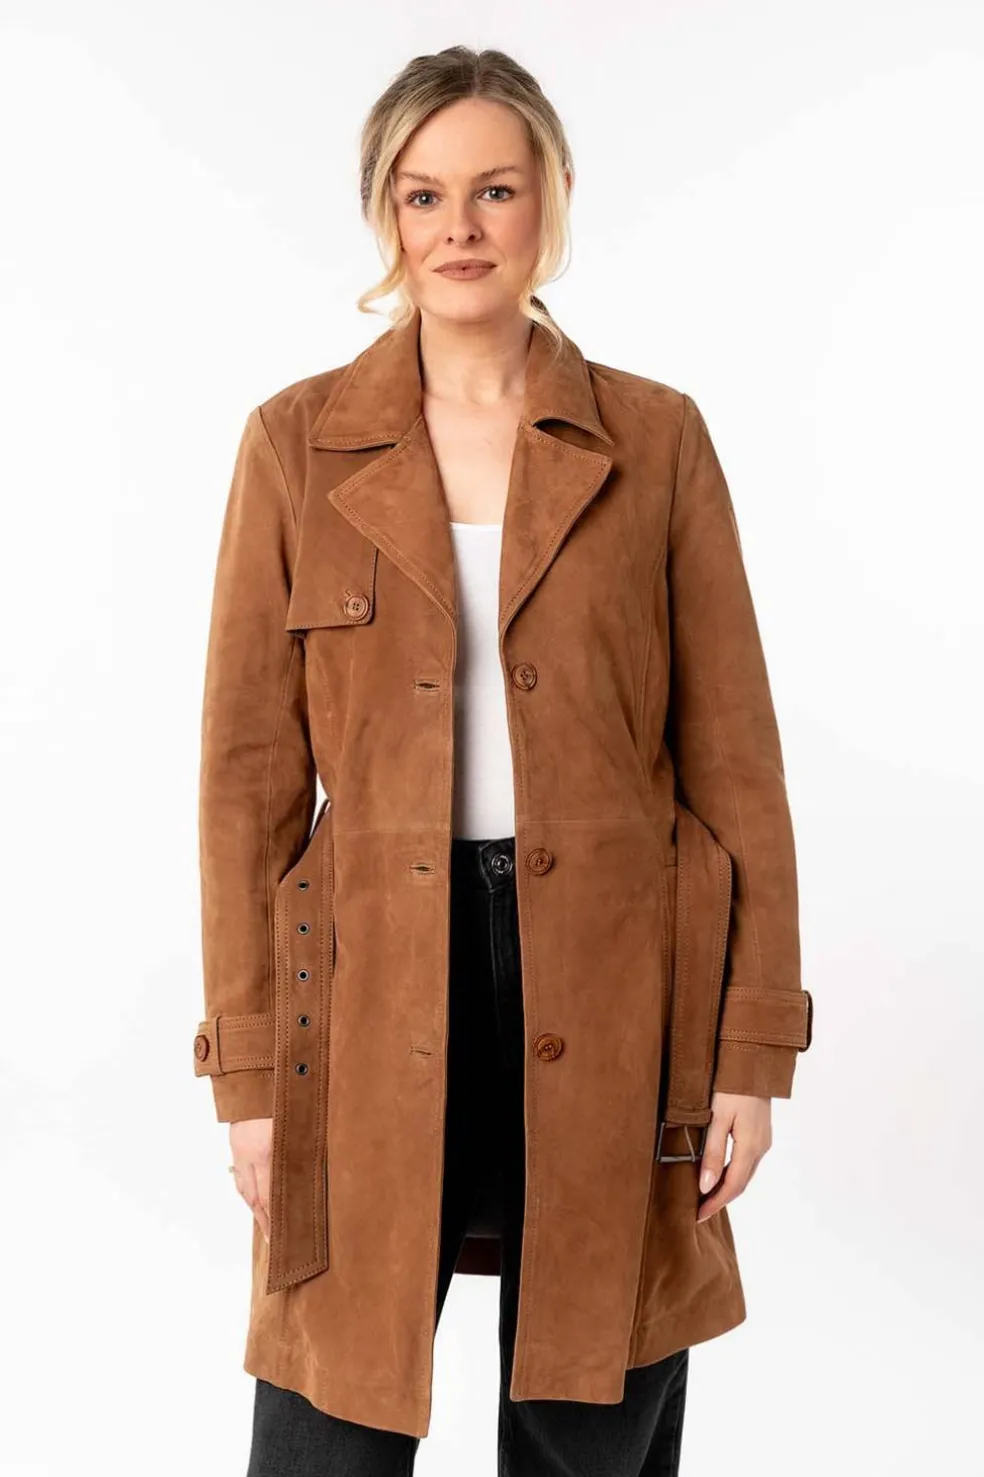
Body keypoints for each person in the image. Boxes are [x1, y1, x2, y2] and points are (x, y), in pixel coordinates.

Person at [192, 43, 813, 1477]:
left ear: (553, 197)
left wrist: (749, 1053)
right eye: (423, 195)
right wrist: (249, 1081)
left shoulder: (655, 440)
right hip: (362, 985)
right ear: (384, 213)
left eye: (494, 189)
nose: (459, 228)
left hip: (617, 977)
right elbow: (245, 786)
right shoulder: (296, 446)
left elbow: (737, 761)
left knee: (588, 1416)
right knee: (329, 1424)